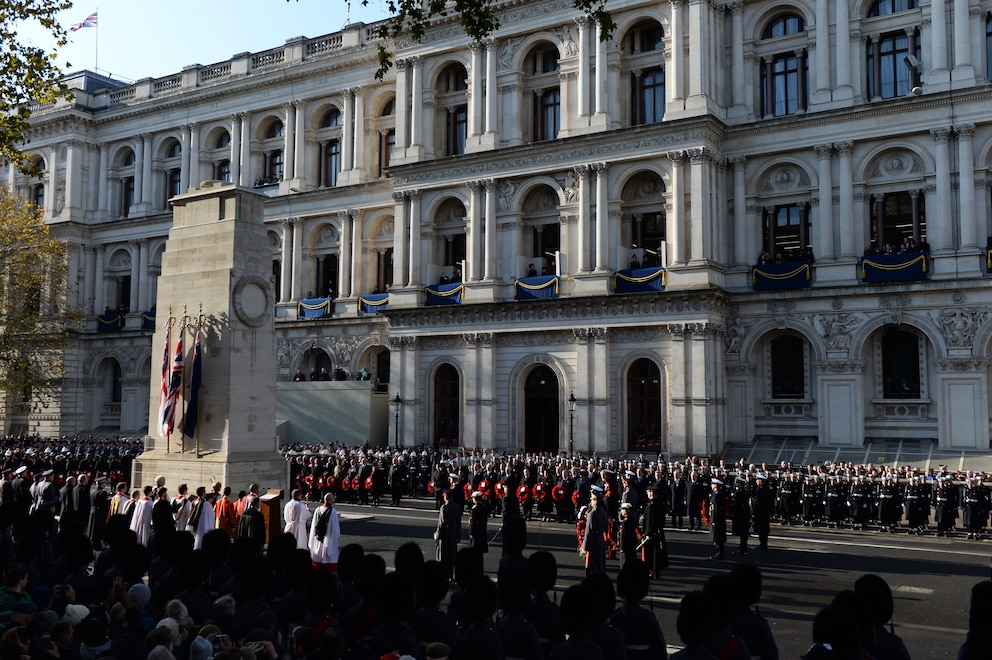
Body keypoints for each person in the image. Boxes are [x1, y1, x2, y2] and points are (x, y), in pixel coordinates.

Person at [641, 484, 668, 579]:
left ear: (652, 493)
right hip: (656, 532)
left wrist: (647, 533)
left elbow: (650, 521)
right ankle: (655, 572)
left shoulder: (652, 505)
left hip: (652, 533)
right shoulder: (656, 503)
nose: (647, 493)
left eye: (648, 492)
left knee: (653, 554)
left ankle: (654, 572)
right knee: (655, 554)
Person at [308, 491, 340, 572]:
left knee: (318, 553)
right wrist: (336, 536)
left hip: (318, 537)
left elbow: (314, 525)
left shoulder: (317, 509)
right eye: (333, 498)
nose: (334, 500)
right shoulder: (333, 512)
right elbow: (335, 528)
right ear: (330, 500)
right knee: (327, 555)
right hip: (328, 538)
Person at [580, 486, 608, 576]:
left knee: (591, 568)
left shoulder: (592, 514)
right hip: (600, 541)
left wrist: (584, 547)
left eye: (592, 499)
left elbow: (589, 532)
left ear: (595, 500)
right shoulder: (604, 512)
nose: (590, 501)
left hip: (593, 544)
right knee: (600, 566)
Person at [435, 489, 461, 580]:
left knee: (443, 555)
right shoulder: (457, 507)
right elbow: (458, 523)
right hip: (453, 533)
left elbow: (441, 523)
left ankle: (443, 575)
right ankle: (450, 575)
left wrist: (437, 534)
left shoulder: (443, 508)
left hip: (444, 534)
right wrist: (458, 535)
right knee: (451, 555)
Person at [707, 478, 728, 560]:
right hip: (720, 519)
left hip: (717, 519)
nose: (711, 486)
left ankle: (719, 553)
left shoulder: (716, 495)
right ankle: (720, 553)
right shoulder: (720, 494)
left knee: (717, 537)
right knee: (719, 536)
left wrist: (713, 520)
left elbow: (715, 509)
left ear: (715, 485)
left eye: (712, 484)